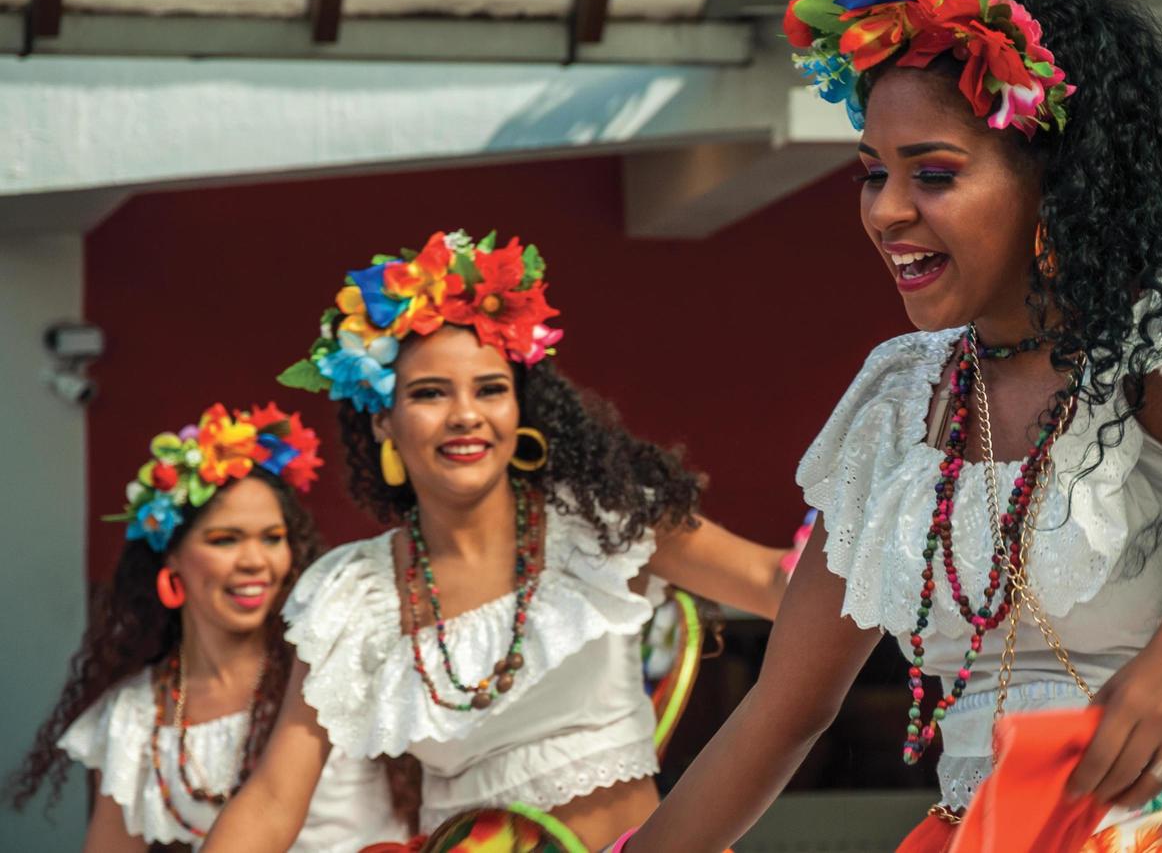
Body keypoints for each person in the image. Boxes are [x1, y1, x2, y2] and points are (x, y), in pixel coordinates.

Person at [615, 0, 1162, 852]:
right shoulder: (901, 403)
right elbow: (785, 707)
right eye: (873, 171)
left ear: (1055, 181)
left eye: (932, 172)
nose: (887, 209)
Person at [203, 229, 792, 851]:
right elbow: (272, 802)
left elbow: (775, 583)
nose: (465, 414)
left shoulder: (605, 522)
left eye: (490, 389)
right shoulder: (352, 595)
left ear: (520, 411)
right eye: (430, 393)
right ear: (383, 419)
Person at [6, 402, 411, 851]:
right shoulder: (137, 716)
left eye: (272, 538)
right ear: (171, 556)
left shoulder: (334, 660)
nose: (256, 562)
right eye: (225, 540)